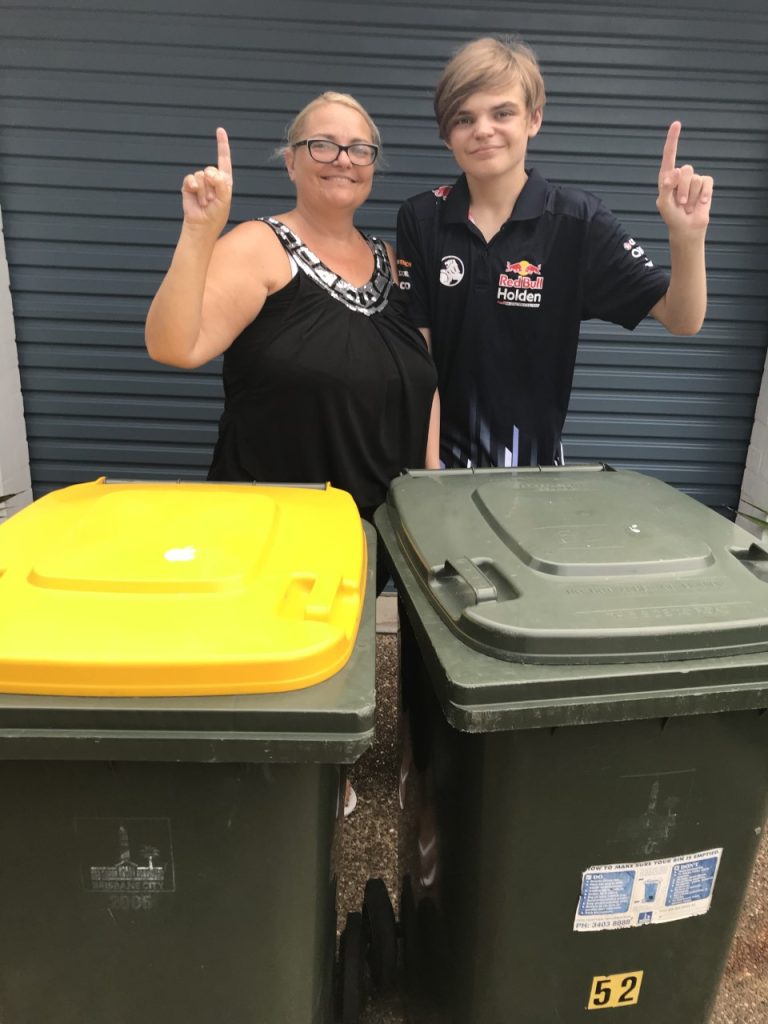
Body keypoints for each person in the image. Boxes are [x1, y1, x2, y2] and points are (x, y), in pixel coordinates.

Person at [145, 92, 439, 816]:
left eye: (359, 148)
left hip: (370, 513)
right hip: (273, 515)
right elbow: (173, 345)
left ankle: (328, 761)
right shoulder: (255, 245)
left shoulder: (392, 262)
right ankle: (287, 786)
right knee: (276, 655)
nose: (343, 160)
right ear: (291, 158)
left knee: (340, 651)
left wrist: (429, 481)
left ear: (374, 165)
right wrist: (199, 231)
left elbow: (432, 375)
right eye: (323, 145)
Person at [396, 37, 713, 470]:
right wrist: (429, 472)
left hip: (534, 475)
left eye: (502, 112)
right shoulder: (422, 217)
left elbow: (683, 318)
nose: (483, 129)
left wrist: (687, 236)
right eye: (464, 118)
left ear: (534, 119)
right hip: (434, 471)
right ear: (447, 134)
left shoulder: (576, 221)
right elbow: (419, 359)